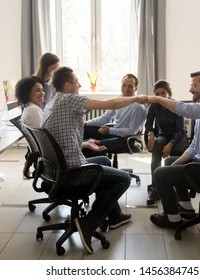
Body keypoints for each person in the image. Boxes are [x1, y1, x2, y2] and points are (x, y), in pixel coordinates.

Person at [41, 66, 147, 253]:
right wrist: (139, 98)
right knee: (124, 179)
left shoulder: (52, 102)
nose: (80, 84)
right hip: (72, 173)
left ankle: (114, 216)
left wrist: (84, 144)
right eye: (76, 82)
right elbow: (112, 106)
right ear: (67, 86)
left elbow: (57, 142)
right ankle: (89, 222)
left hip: (56, 170)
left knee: (104, 161)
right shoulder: (69, 99)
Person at [146, 71, 200, 228]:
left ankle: (173, 219)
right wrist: (175, 164)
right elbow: (194, 146)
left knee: (159, 174)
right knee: (172, 162)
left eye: (194, 85)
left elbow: (187, 110)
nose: (191, 90)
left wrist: (157, 99)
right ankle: (186, 207)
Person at [145, 80, 190, 205]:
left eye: (163, 93)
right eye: (157, 93)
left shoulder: (176, 105)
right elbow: (148, 124)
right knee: (156, 151)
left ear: (169, 94)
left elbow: (181, 130)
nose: (160, 96)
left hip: (178, 137)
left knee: (177, 154)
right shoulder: (154, 106)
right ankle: (156, 187)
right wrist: (151, 134)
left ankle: (178, 187)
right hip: (163, 135)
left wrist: (170, 144)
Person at [83, 73, 147, 156]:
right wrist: (85, 123)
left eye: (130, 86)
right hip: (115, 133)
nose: (126, 89)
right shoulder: (119, 99)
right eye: (124, 85)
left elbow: (132, 131)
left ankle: (99, 166)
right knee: (85, 129)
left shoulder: (138, 107)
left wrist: (110, 130)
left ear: (136, 88)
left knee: (91, 147)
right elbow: (105, 118)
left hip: (126, 139)